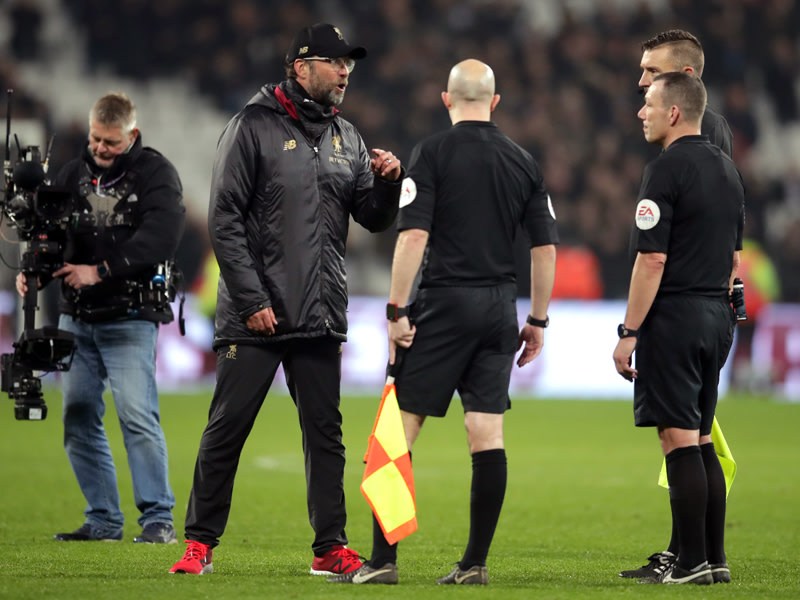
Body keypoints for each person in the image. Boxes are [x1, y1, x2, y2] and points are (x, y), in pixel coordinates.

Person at [169, 23, 403, 576]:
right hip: (258, 316)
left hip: (319, 312)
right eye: (335, 62)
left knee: (326, 438)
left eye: (350, 63)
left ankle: (330, 549)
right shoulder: (251, 126)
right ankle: (199, 544)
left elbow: (372, 219)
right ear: (300, 67)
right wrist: (251, 299)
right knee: (227, 429)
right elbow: (223, 220)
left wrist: (389, 181)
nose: (346, 71)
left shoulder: (349, 137)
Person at [329, 59, 558, 586]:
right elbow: (545, 248)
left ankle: (383, 562)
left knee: (400, 428)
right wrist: (538, 319)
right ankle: (474, 563)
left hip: (444, 304)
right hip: (500, 307)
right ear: (494, 102)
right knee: (487, 432)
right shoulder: (523, 160)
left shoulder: (430, 154)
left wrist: (396, 309)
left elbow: (412, 237)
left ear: (446, 99)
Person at [16, 92, 185, 543]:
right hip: (78, 318)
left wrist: (101, 270)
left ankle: (158, 520)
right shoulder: (72, 173)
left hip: (130, 314)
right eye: (95, 139)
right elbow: (49, 234)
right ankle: (104, 520)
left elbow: (162, 238)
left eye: (111, 142)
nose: (101, 149)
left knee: (136, 415)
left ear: (132, 135)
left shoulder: (156, 174)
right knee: (77, 414)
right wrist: (34, 273)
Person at [613, 72, 744, 584]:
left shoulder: (665, 171)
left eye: (648, 103)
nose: (640, 112)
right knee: (703, 439)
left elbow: (651, 260)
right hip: (717, 317)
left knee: (678, 439)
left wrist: (628, 331)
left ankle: (689, 564)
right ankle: (714, 559)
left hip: (676, 317)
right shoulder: (729, 171)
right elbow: (734, 255)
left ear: (673, 112)